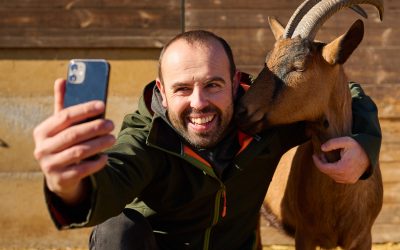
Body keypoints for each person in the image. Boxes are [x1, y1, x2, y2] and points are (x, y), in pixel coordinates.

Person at [33, 30, 381, 250]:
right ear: (162, 93)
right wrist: (69, 184)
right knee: (117, 231)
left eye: (212, 85)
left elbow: (341, 90)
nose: (199, 102)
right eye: (183, 89)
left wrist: (364, 147)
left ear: (234, 83)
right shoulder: (147, 135)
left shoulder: (261, 122)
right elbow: (112, 180)